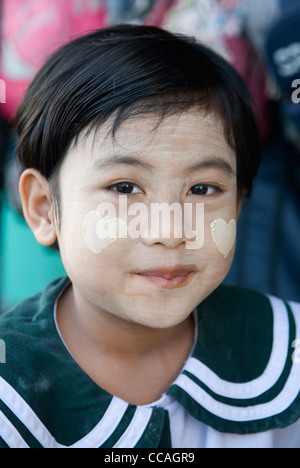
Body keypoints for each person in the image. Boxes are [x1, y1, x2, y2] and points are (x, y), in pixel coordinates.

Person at [0, 24, 300, 449]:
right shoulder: (9, 386)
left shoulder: (286, 347)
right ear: (45, 208)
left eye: (202, 189)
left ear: (239, 204)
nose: (170, 232)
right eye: (124, 188)